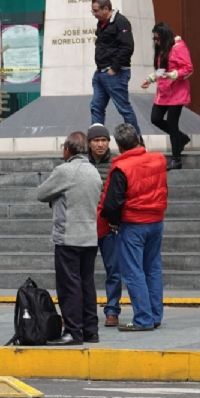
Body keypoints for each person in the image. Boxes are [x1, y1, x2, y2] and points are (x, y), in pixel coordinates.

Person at [98, 123, 167, 332]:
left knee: (133, 272)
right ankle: (155, 315)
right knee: (153, 269)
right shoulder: (159, 160)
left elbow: (112, 203)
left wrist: (113, 223)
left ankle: (143, 319)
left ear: (119, 145)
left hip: (133, 224)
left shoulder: (121, 168)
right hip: (156, 221)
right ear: (138, 140)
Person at [36, 132, 103, 346]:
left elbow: (41, 193)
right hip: (90, 238)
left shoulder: (65, 171)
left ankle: (73, 331)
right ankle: (90, 330)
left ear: (68, 149)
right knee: (87, 284)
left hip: (69, 237)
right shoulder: (93, 171)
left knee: (69, 286)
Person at [142, 23, 193, 170]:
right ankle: (181, 138)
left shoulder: (179, 47)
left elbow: (188, 68)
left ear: (164, 36)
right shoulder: (163, 48)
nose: (155, 41)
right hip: (164, 91)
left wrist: (173, 74)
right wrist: (150, 79)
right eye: (154, 38)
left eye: (157, 38)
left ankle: (176, 159)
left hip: (177, 91)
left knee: (172, 123)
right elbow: (161, 68)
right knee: (155, 118)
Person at [86, 123, 122, 328]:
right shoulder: (82, 163)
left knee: (114, 270)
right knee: (84, 271)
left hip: (109, 224)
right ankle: (85, 310)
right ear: (89, 143)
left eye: (103, 140)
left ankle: (112, 310)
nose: (100, 144)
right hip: (87, 223)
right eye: (96, 140)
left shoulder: (117, 163)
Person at [90, 0, 140, 135]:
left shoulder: (121, 22)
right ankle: (96, 140)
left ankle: (137, 144)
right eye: (93, 11)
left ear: (106, 8)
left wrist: (114, 68)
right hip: (100, 72)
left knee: (123, 108)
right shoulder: (102, 23)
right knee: (96, 107)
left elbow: (127, 47)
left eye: (96, 11)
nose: (94, 14)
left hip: (115, 73)